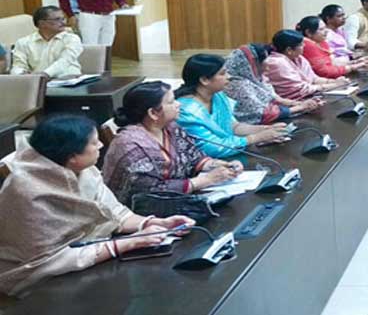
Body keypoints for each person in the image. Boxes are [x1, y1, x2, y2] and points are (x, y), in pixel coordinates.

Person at [0, 116, 195, 297]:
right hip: (40, 284)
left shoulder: (83, 169)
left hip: (91, 258)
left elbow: (115, 213)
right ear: (72, 155)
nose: (101, 145)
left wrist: (153, 223)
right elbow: (48, 260)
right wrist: (128, 243)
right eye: (94, 143)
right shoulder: (27, 191)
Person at [102, 81, 244, 205]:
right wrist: (206, 180)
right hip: (144, 216)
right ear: (153, 113)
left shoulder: (171, 128)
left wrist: (221, 166)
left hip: (180, 202)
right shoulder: (130, 145)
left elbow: (195, 158)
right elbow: (149, 193)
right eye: (171, 102)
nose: (178, 104)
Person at [176, 54, 290, 159]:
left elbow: (233, 127)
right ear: (204, 80)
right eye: (222, 73)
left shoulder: (217, 96)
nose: (229, 77)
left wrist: (265, 130)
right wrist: (255, 138)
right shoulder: (186, 111)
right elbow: (211, 148)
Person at [224, 44, 323, 125]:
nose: (267, 68)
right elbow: (261, 114)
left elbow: (275, 98)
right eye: (264, 63)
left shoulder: (257, 78)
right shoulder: (237, 85)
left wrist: (300, 104)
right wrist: (300, 108)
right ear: (252, 64)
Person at [264, 29, 347, 100]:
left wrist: (336, 81)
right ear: (289, 50)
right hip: (290, 103)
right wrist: (335, 85)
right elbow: (302, 90)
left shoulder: (298, 58)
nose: (304, 45)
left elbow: (313, 79)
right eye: (301, 44)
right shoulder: (277, 62)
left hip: (307, 98)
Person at [9, 6, 83, 78]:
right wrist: (20, 75)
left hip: (69, 80)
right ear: (42, 23)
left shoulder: (72, 38)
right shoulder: (23, 42)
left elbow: (65, 60)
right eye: (57, 19)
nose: (63, 22)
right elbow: (18, 66)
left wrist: (45, 74)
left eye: (63, 18)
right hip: (38, 82)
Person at [298, 16, 368, 78]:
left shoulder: (321, 41)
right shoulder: (307, 45)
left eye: (325, 28)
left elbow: (332, 63)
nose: (326, 31)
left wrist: (356, 62)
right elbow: (325, 72)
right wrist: (353, 67)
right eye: (321, 29)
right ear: (308, 32)